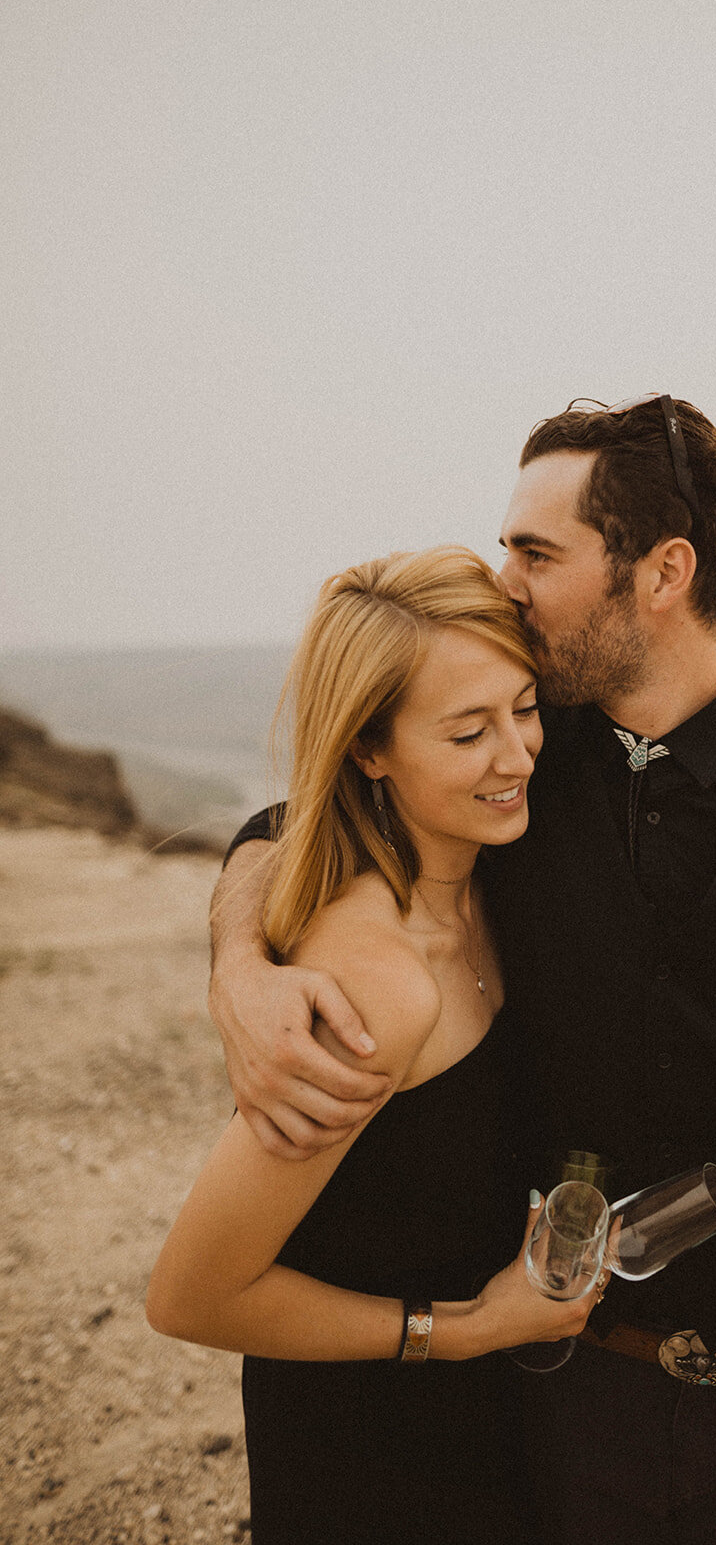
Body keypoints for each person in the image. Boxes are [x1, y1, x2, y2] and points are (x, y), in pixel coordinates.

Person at [209, 396, 716, 1545]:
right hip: (546, 1399)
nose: (502, 578)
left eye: (535, 552)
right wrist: (238, 968)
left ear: (661, 572)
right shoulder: (508, 756)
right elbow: (292, 821)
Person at [147, 545, 605, 1545]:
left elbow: (273, 822)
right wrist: (465, 1330)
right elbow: (191, 1293)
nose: (517, 754)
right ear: (369, 748)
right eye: (466, 731)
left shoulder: (490, 868)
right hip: (371, 1466)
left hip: (498, 1437)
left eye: (522, 708)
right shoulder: (373, 992)